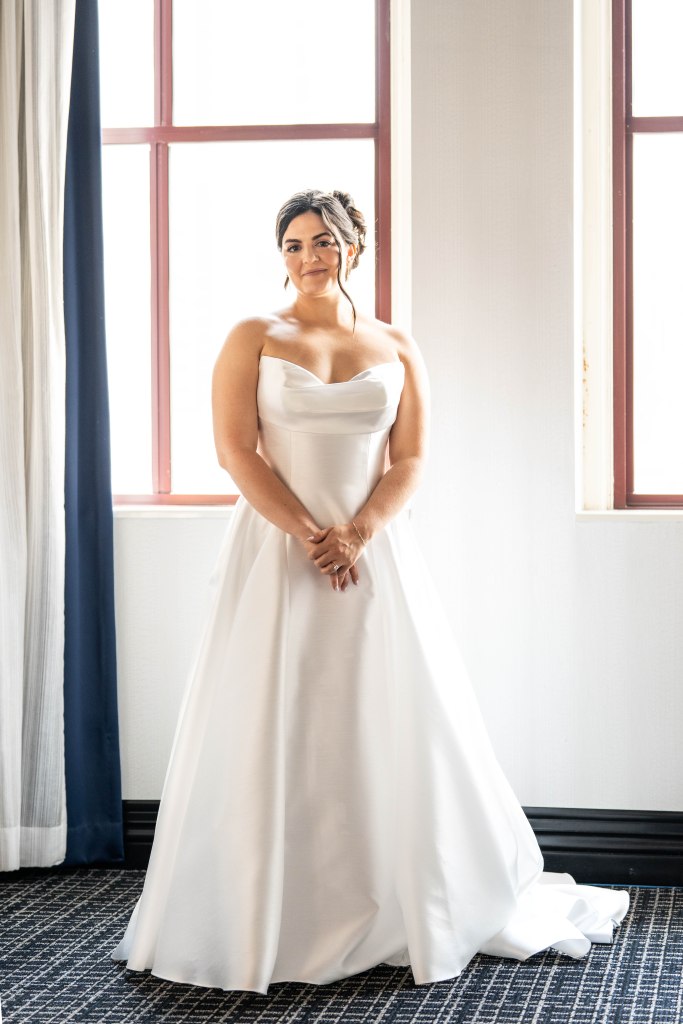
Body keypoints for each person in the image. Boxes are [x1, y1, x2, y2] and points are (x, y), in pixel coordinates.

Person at [111, 189, 628, 994]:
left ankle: (400, 892)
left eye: (322, 241)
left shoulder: (396, 344)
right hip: (278, 552)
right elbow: (235, 451)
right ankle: (265, 909)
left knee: (389, 711)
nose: (307, 257)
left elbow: (411, 458)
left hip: (373, 550)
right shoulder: (253, 335)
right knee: (274, 713)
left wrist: (356, 533)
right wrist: (308, 533)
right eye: (292, 245)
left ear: (353, 246)